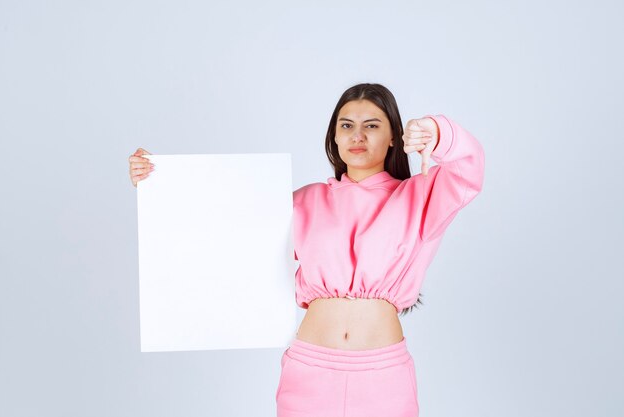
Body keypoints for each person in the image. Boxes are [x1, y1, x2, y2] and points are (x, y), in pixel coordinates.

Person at [128, 83, 485, 417]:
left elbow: (469, 170)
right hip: (309, 373)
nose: (357, 136)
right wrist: (158, 182)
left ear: (394, 136)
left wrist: (436, 131)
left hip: (383, 375)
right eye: (346, 126)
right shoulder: (304, 200)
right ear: (334, 135)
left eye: (372, 126)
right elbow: (224, 232)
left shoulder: (420, 196)